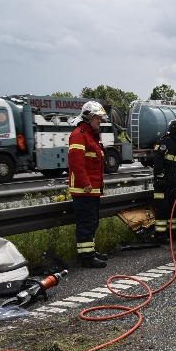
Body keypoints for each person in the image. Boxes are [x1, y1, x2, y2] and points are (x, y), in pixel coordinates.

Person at [68, 101, 109, 268]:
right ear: (89, 117)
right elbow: (76, 163)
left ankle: (90, 251)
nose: (100, 121)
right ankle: (86, 258)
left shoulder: (91, 136)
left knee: (92, 221)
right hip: (83, 189)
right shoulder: (79, 135)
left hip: (92, 189)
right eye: (98, 118)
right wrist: (86, 183)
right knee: (86, 223)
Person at [152, 119, 176, 243]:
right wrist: (160, 176)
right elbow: (157, 160)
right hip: (162, 182)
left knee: (174, 208)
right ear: (173, 129)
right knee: (162, 209)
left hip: (174, 182)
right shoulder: (164, 142)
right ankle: (160, 235)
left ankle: (171, 233)